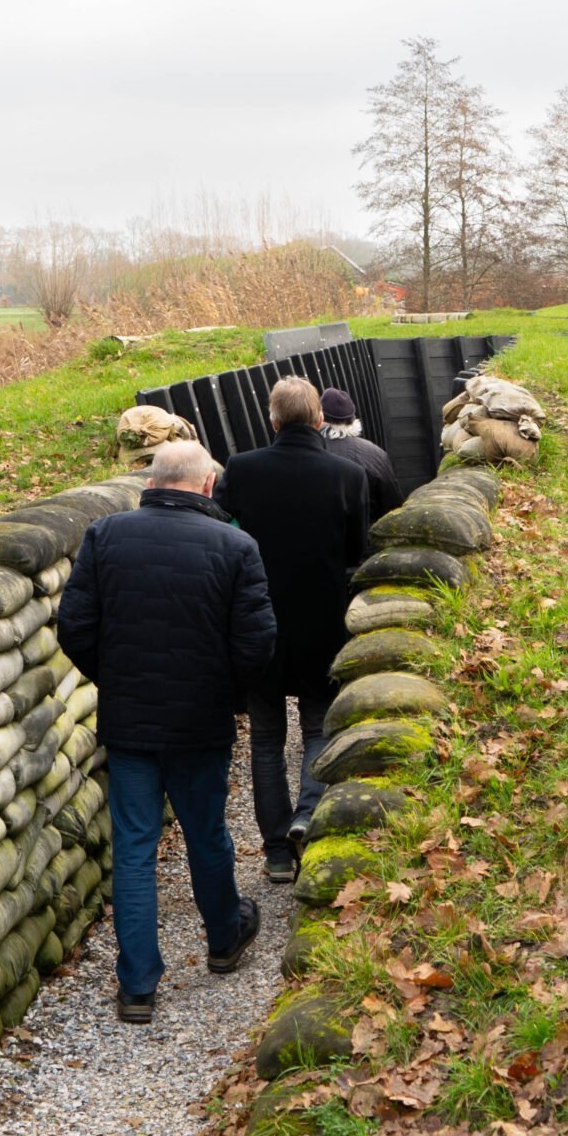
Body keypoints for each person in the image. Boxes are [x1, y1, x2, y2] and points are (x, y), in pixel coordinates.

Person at [58, 439, 271, 1024]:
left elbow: (74, 625)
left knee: (133, 848)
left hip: (130, 721)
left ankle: (138, 986)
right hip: (200, 721)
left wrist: (115, 678)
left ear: (150, 482)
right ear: (207, 486)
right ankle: (224, 940)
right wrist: (226, 695)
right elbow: (256, 644)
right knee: (206, 834)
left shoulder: (105, 537)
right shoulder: (236, 545)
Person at [216, 376, 372, 882]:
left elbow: (222, 535)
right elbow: (356, 555)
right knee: (316, 729)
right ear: (320, 419)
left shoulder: (241, 470)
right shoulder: (347, 475)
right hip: (321, 621)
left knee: (264, 739)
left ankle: (276, 854)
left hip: (257, 622)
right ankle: (307, 815)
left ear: (273, 418)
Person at [317, 386, 400, 521]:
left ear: (320, 418)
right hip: (366, 534)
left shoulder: (310, 452)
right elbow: (392, 504)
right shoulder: (376, 453)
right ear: (352, 420)